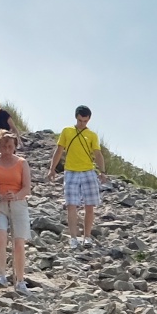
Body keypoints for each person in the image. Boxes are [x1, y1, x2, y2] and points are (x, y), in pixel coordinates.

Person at [0, 129, 33, 291]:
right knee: (0, 235)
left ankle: (20, 280)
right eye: (4, 146)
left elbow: (27, 187)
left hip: (18, 203)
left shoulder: (22, 163)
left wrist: (15, 196)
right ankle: (1, 274)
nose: (7, 150)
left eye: (10, 147)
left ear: (14, 147)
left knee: (19, 242)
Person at [54, 105, 104, 244]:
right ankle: (73, 238)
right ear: (76, 117)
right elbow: (59, 150)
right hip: (70, 171)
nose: (82, 123)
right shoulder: (67, 131)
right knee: (71, 205)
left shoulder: (92, 135)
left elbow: (97, 154)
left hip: (88, 171)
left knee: (90, 205)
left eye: (85, 121)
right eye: (80, 120)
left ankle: (87, 237)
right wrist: (51, 168)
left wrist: (102, 171)